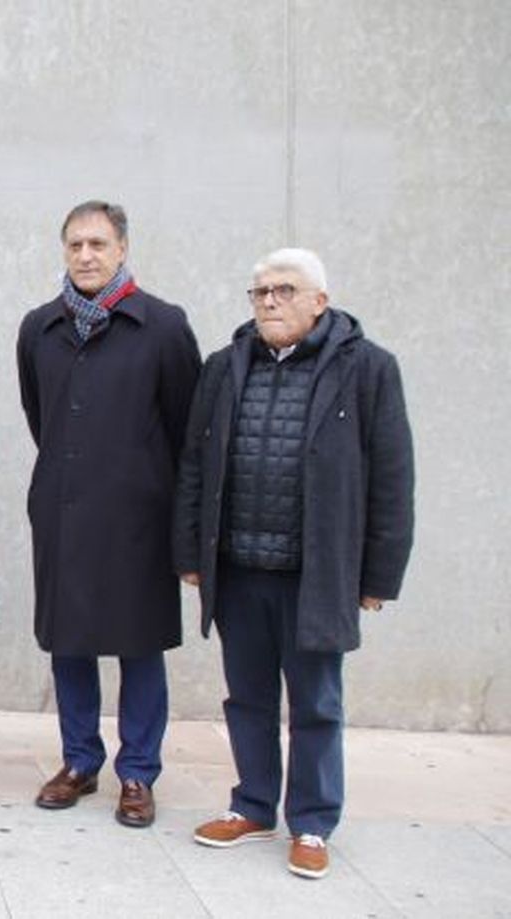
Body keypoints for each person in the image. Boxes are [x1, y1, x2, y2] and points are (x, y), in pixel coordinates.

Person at [175, 249, 414, 879]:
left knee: (316, 704)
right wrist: (191, 552)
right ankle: (253, 804)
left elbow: (392, 479)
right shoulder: (224, 368)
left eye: (284, 290)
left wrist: (379, 576)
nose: (270, 302)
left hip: (317, 574)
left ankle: (311, 820)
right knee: (247, 699)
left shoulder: (368, 370)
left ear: (320, 301)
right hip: (239, 569)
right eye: (259, 293)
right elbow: (195, 465)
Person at [16, 200, 200, 828]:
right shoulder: (40, 327)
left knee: (139, 645)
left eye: (98, 244)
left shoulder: (163, 327)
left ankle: (138, 773)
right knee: (69, 643)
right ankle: (79, 762)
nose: (86, 256)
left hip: (137, 518)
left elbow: (184, 427)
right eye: (75, 246)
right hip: (64, 511)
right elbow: (41, 416)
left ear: (122, 248)